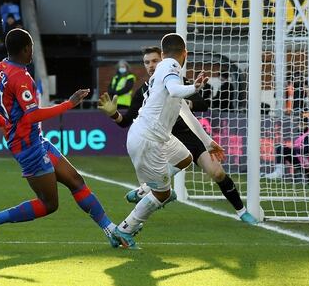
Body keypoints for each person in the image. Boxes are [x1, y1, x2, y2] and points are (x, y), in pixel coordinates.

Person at [0, 28, 119, 248]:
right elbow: (32, 115)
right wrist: (68, 104)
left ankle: (112, 231)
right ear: (25, 49)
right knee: (49, 204)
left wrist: (3, 123)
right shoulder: (20, 77)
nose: (32, 50)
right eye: (31, 46)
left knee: (76, 181)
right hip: (27, 146)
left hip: (35, 139)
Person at [98, 46, 257, 224]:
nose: (151, 65)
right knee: (164, 183)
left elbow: (202, 103)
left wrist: (185, 102)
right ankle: (142, 201)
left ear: (163, 60)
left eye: (155, 61)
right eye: (147, 62)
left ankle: (242, 212)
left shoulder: (177, 80)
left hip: (189, 137)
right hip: (164, 141)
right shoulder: (144, 91)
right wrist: (113, 113)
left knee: (217, 173)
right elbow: (125, 121)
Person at [110, 34, 224, 249]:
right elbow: (175, 90)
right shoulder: (170, 66)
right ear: (185, 54)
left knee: (185, 158)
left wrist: (208, 142)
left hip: (153, 136)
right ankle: (125, 229)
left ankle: (144, 190)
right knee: (164, 193)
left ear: (161, 54)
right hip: (147, 138)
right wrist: (195, 88)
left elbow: (186, 113)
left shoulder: (164, 73)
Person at [264, 113, 309, 183]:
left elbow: (307, 151)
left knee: (282, 148)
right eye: (299, 124)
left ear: (307, 125)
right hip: (300, 159)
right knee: (281, 148)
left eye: (302, 124)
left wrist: (293, 148)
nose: (299, 126)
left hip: (306, 162)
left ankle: (279, 173)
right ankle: (279, 171)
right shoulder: (302, 135)